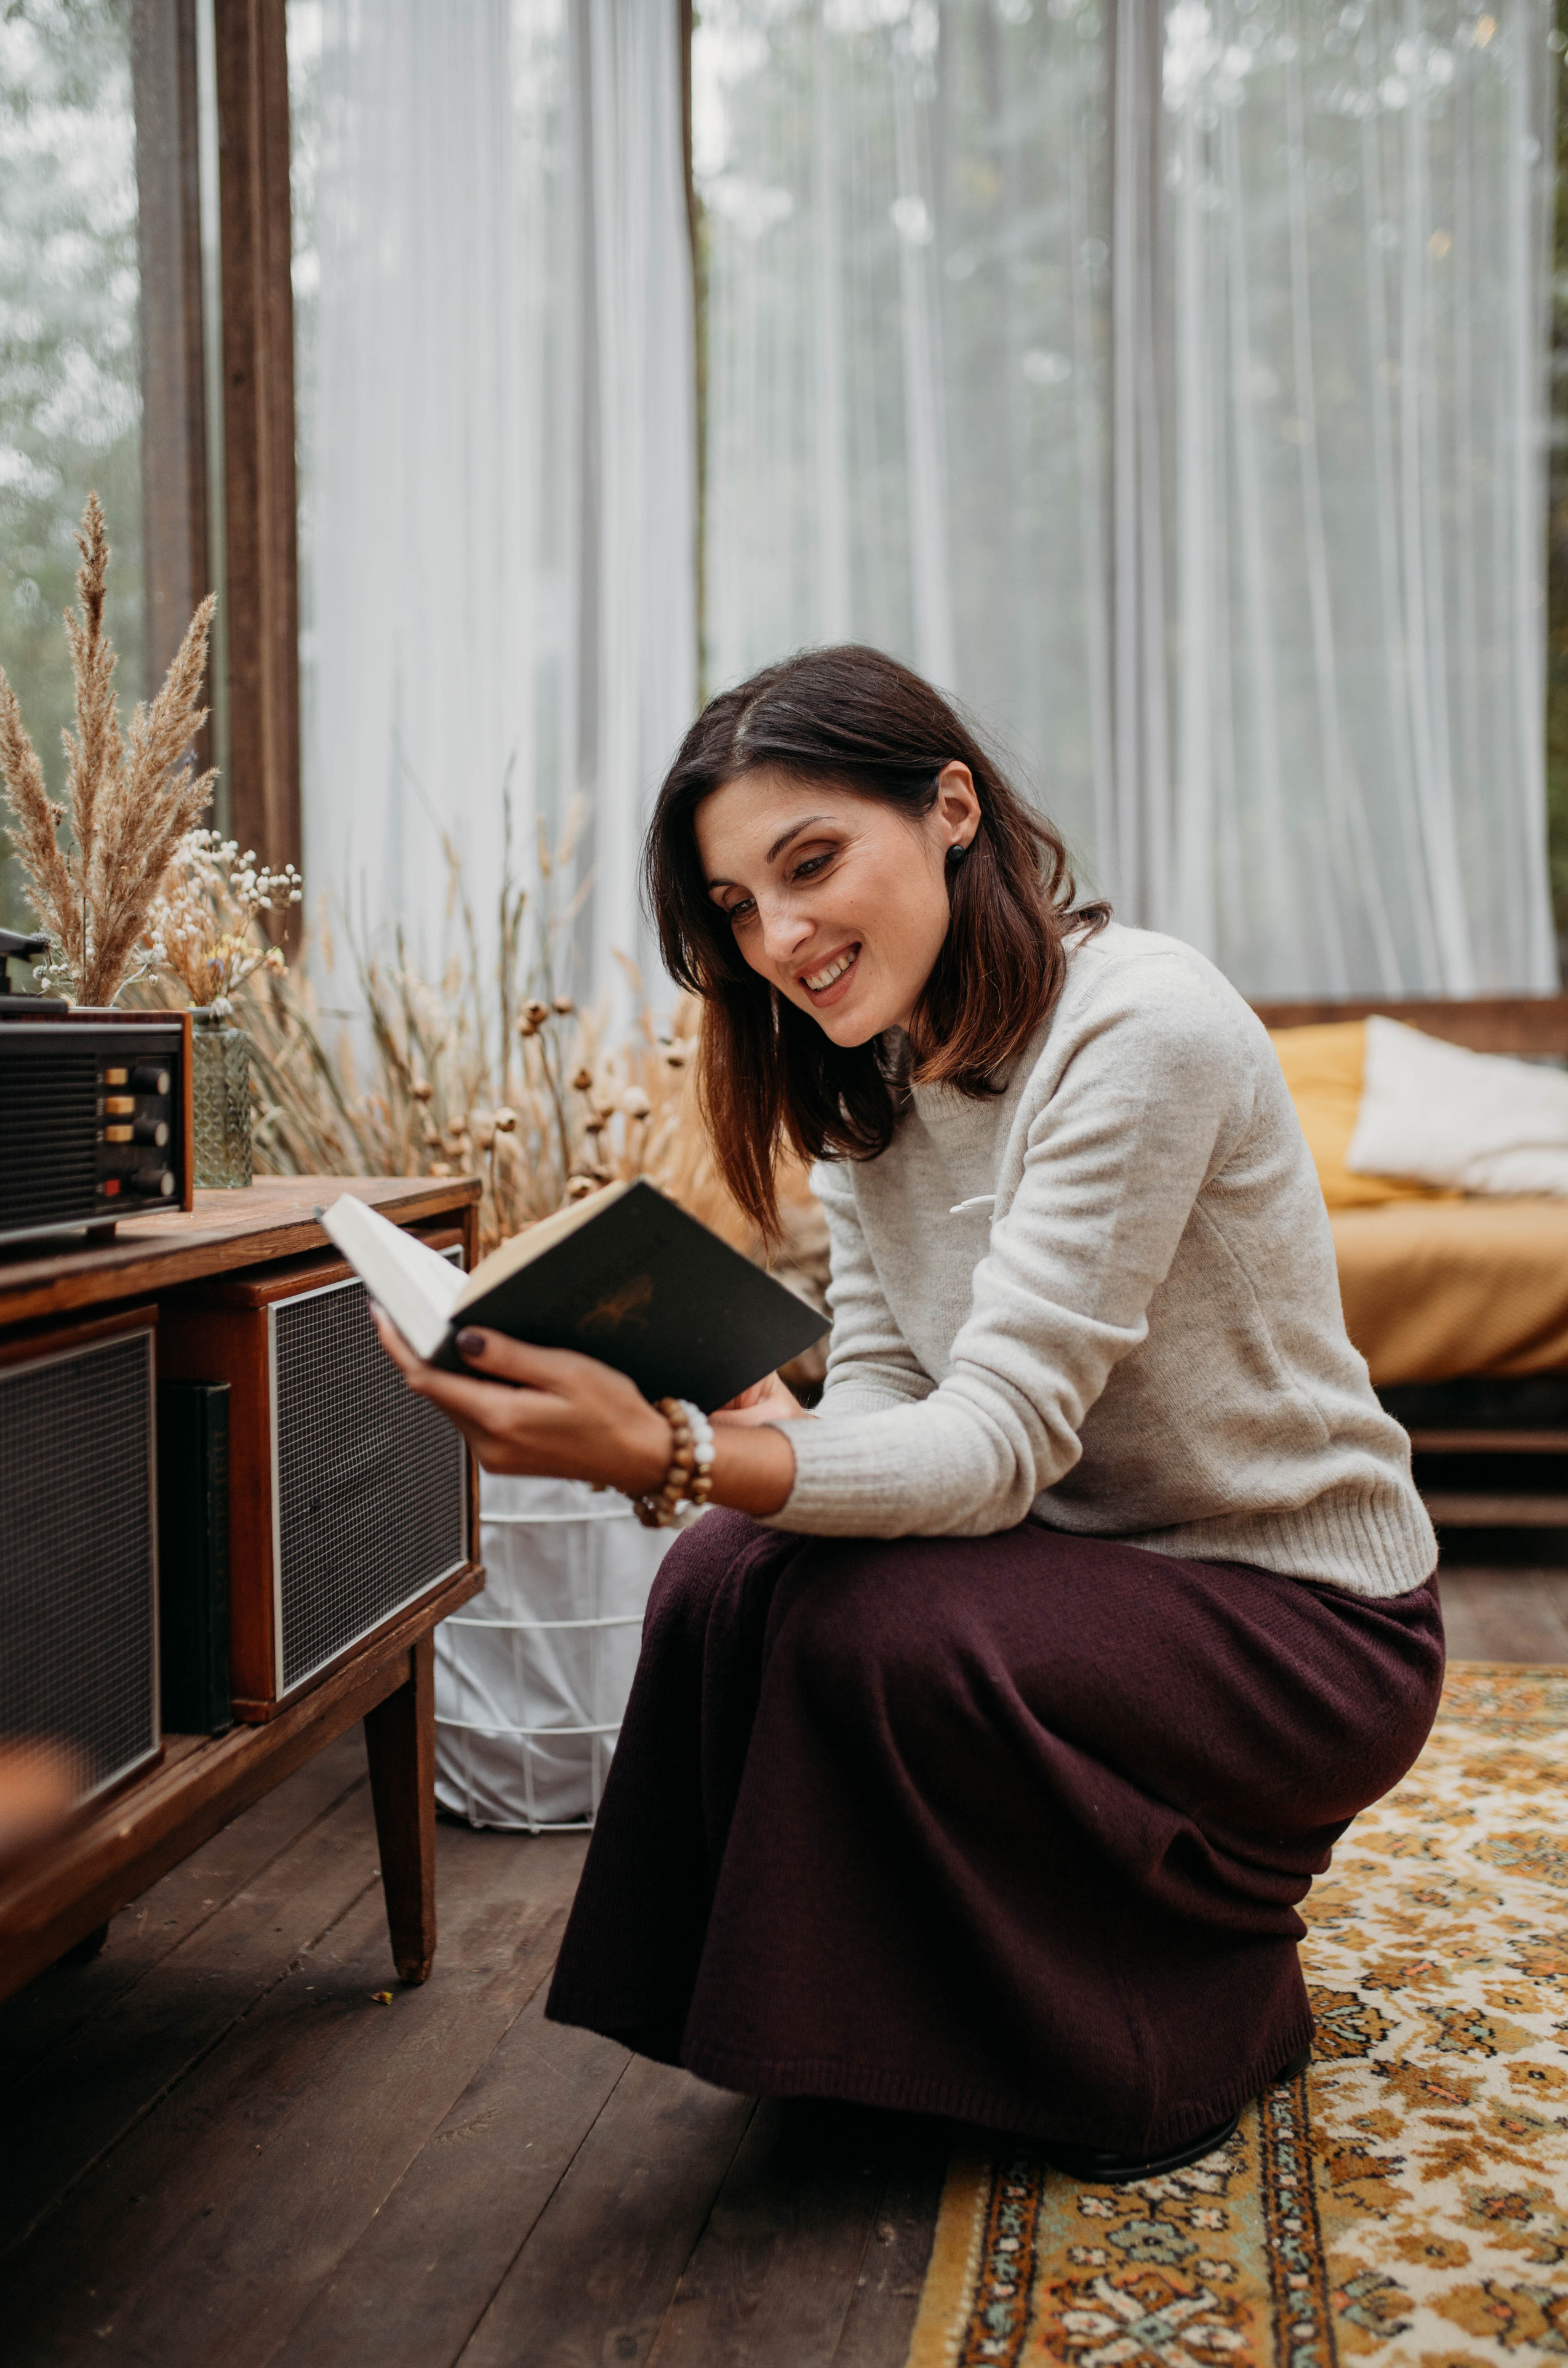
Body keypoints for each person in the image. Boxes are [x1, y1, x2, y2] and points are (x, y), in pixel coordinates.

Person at [375, 644, 1442, 2183]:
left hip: (1300, 1618)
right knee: (721, 1580)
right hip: (1071, 1568)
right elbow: (892, 1391)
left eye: (809, 865)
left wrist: (678, 1453)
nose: (781, 939)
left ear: (949, 807)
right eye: (737, 909)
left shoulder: (1139, 1028)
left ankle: (1174, 2035)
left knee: (870, 1628)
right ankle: (843, 2035)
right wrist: (771, 1430)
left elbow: (996, 1442)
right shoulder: (868, 1072)